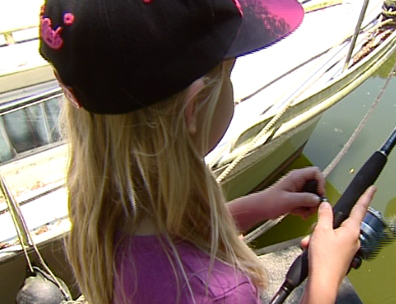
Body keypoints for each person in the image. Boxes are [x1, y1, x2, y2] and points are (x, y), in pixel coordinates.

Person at [39, 0, 377, 303]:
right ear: (195, 108)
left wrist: (261, 204)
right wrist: (325, 278)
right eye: (229, 75)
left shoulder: (102, 207)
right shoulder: (217, 293)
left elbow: (163, 247)